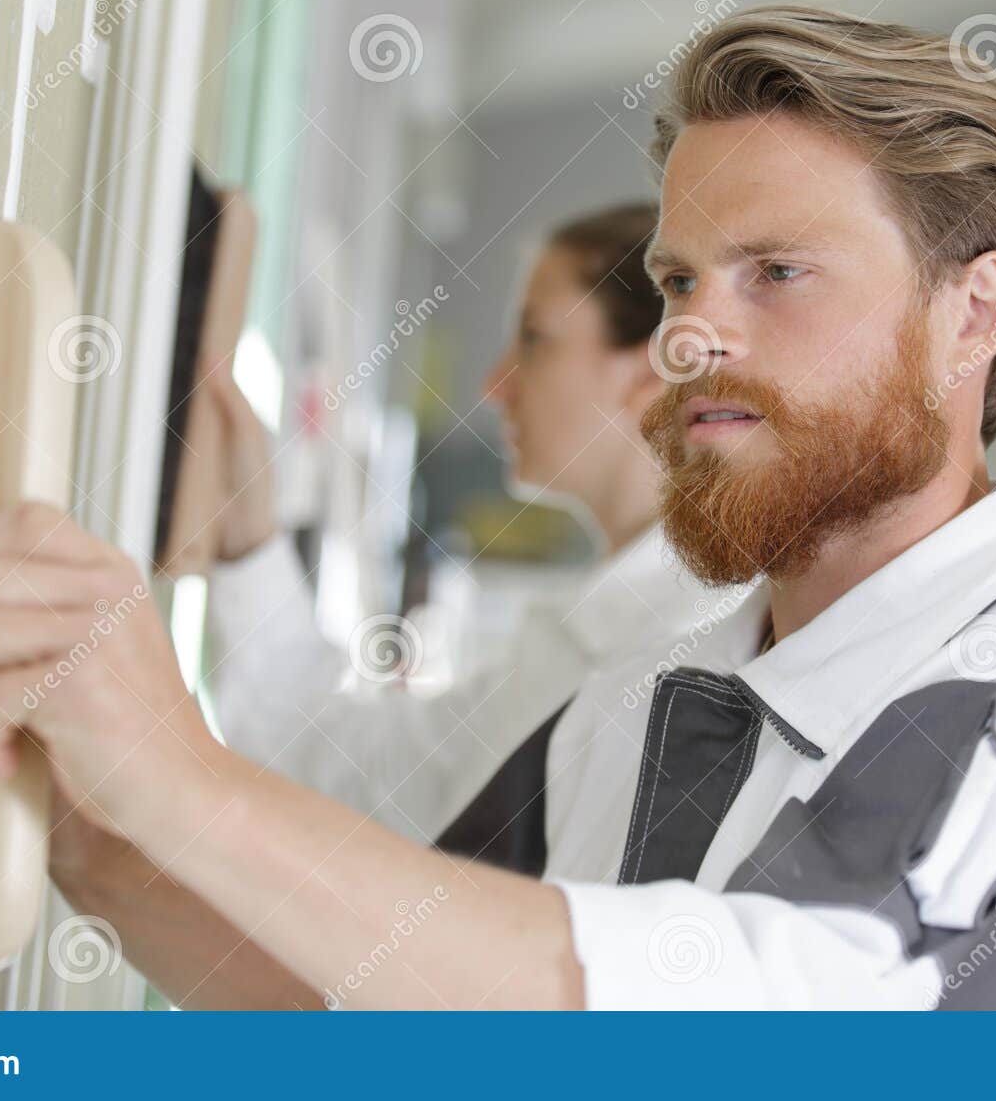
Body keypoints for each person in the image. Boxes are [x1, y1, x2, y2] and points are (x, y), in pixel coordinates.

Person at [0, 4, 996, 1010]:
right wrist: (95, 833)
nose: (691, 339)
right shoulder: (638, 710)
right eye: (680, 282)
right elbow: (368, 991)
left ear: (973, 315)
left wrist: (185, 786)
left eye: (777, 274)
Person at [191, 201, 739, 844]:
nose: (493, 383)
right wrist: (251, 540)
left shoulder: (665, 648)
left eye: (535, 339)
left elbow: (373, 784)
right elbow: (370, 771)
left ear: (656, 368)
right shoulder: (610, 624)